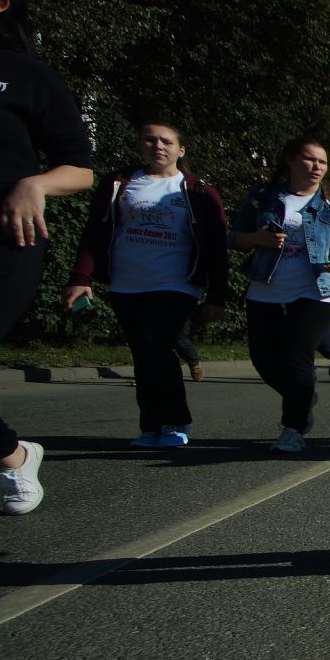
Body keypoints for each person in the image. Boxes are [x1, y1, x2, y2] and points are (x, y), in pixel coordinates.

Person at [0, 0, 94, 513]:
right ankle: (12, 454)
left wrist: (38, 184)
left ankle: (14, 457)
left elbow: (80, 166)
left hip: (0, 242)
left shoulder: (24, 75)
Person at [64, 121, 229, 447]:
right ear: (141, 144)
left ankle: (175, 421)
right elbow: (94, 233)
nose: (158, 146)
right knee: (143, 354)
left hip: (177, 284)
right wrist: (81, 278)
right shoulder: (119, 184)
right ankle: (150, 425)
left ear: (180, 150)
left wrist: (217, 296)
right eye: (150, 140)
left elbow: (215, 249)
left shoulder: (198, 193)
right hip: (127, 284)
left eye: (166, 141)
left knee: (158, 346)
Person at [230, 138, 330, 453]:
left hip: (318, 291)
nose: (317, 167)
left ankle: (292, 428)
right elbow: (235, 238)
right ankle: (303, 394)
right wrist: (257, 238)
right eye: (310, 160)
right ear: (291, 160)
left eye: (322, 162)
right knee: (263, 358)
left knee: (298, 354)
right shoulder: (262, 198)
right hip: (266, 287)